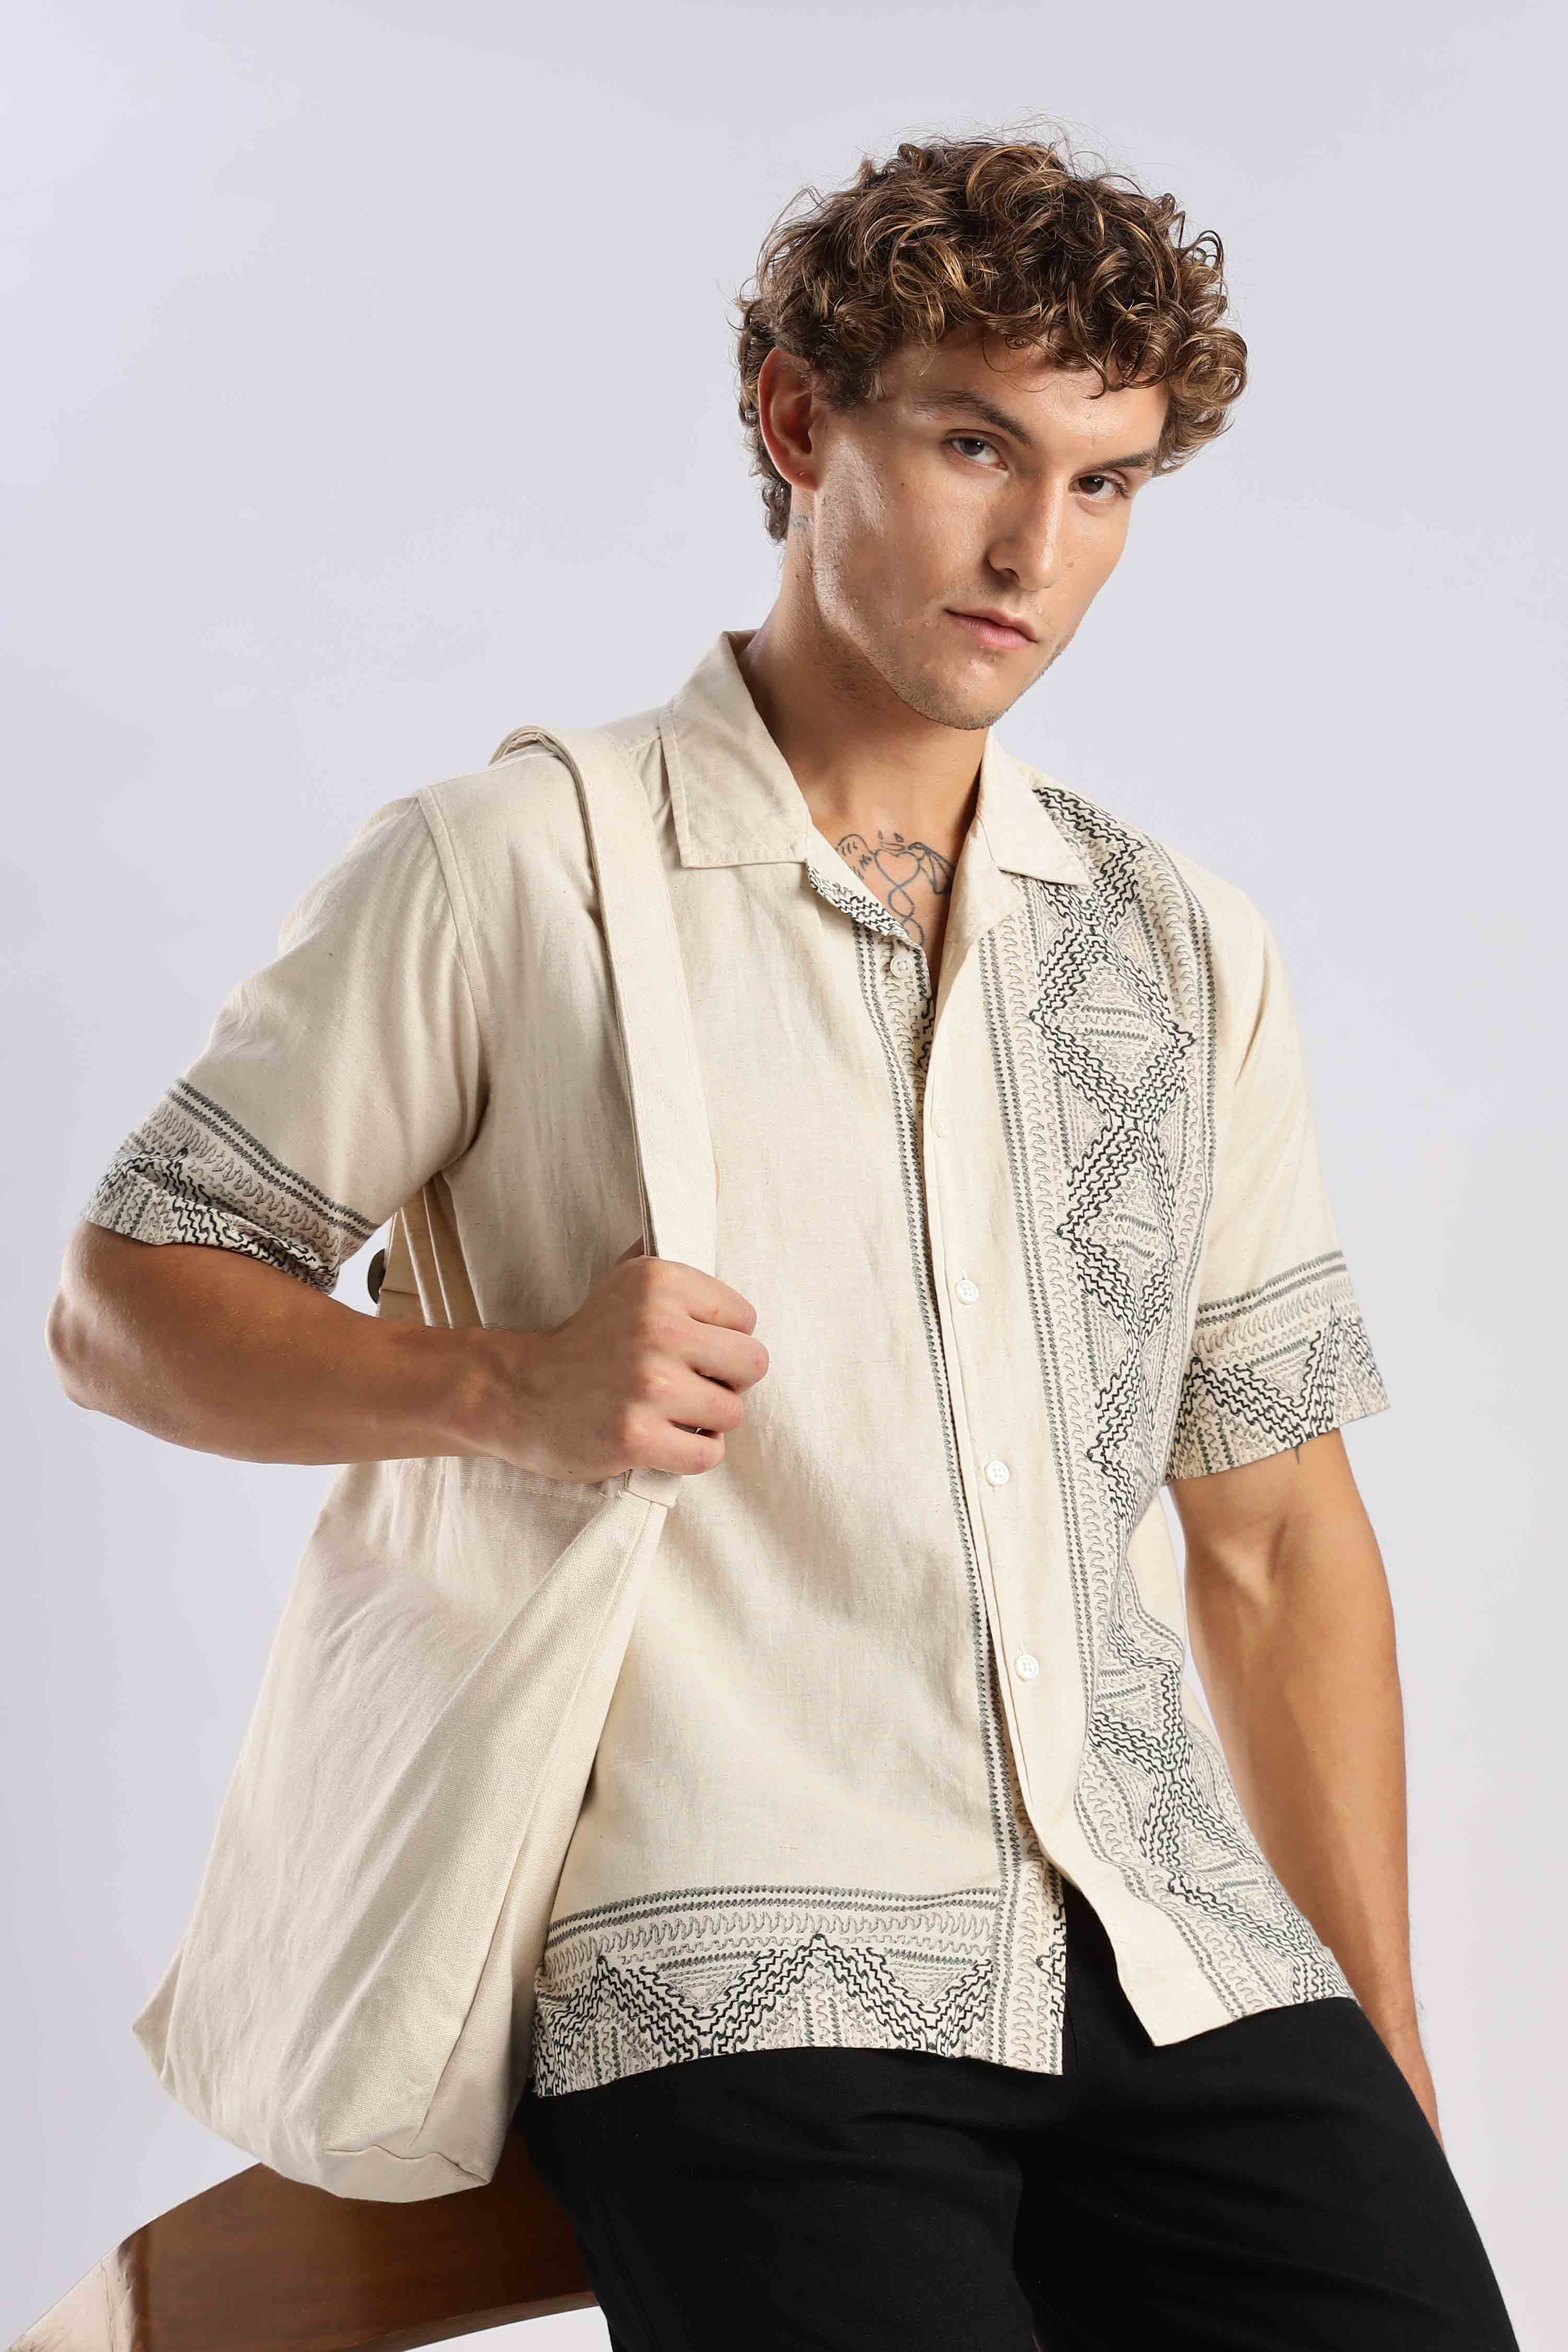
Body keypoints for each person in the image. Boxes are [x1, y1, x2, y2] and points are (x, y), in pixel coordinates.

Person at [48, 126, 1520, 2348]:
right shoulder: (513, 867)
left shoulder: (1176, 947)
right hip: (741, 1948)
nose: (1034, 548)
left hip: (1176, 1946)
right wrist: (497, 1381)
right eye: (974, 446)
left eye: (1106, 484)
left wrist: (1380, 2056)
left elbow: (1277, 1532)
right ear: (797, 420)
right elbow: (122, 1301)